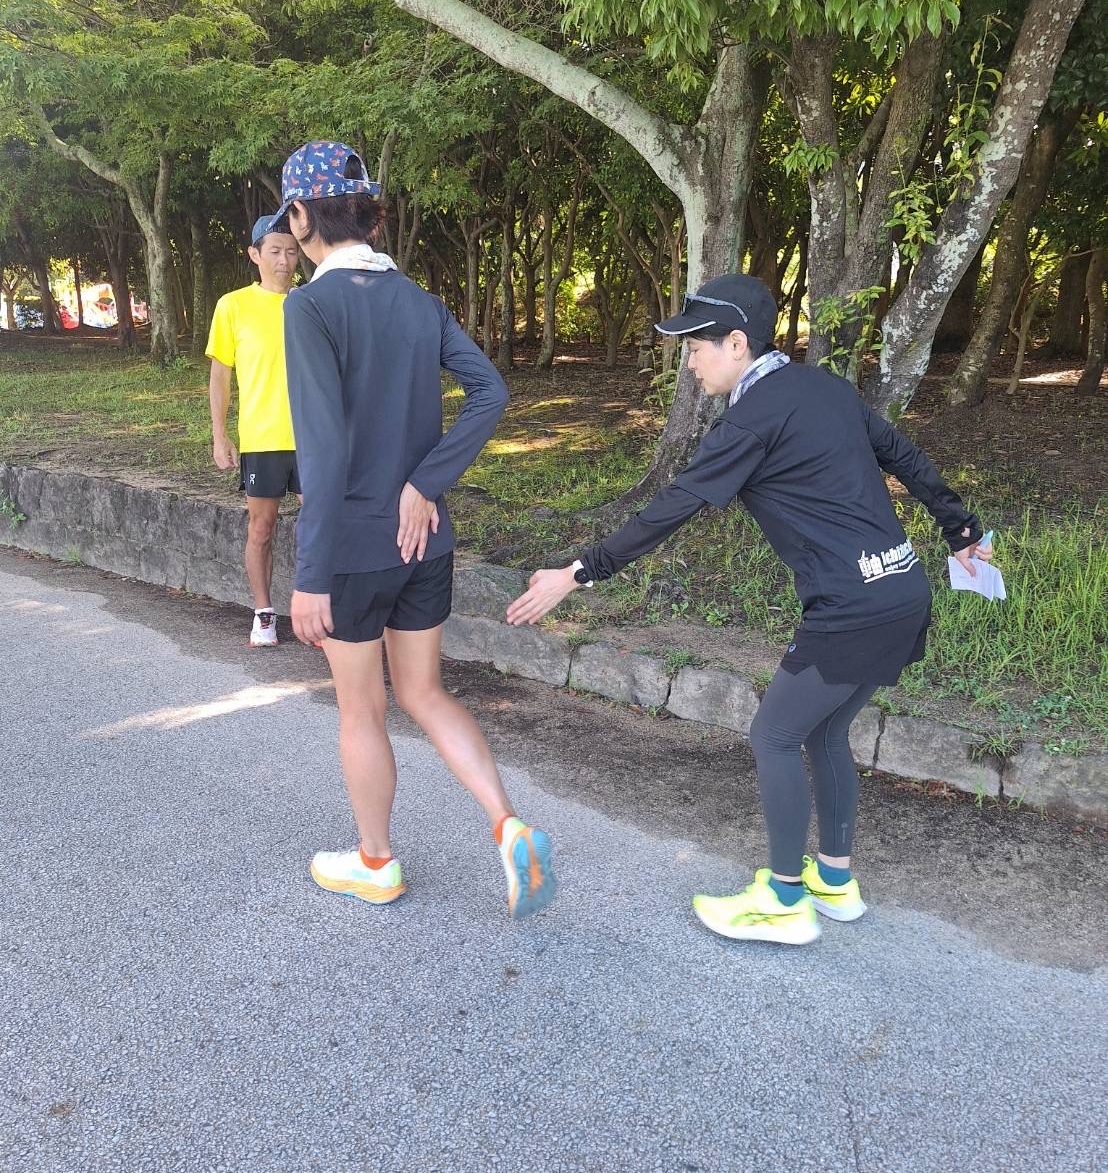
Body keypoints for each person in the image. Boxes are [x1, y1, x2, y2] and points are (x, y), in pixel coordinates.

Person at [507, 273, 991, 946]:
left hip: (850, 608)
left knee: (774, 735)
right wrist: (961, 530)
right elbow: (903, 455)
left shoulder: (751, 418)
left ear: (736, 343)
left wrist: (578, 572)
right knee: (824, 732)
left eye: (695, 348)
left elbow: (674, 506)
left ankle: (784, 900)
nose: (690, 362)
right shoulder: (824, 387)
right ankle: (834, 880)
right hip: (900, 590)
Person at [276, 139, 555, 919]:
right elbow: (489, 392)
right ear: (366, 212)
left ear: (301, 217)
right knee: (425, 691)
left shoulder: (309, 307)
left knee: (362, 710)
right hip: (425, 539)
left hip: (354, 550)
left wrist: (309, 576)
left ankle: (376, 861)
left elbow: (322, 451)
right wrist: (425, 483)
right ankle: (508, 824)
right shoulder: (420, 301)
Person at [207, 215, 302, 647]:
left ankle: (319, 609)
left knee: (322, 527)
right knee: (261, 529)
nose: (285, 260)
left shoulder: (311, 301)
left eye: (292, 250)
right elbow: (220, 376)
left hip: (314, 438)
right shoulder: (233, 305)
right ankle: (264, 613)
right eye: (275, 251)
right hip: (263, 437)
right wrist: (220, 434)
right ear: (255, 254)